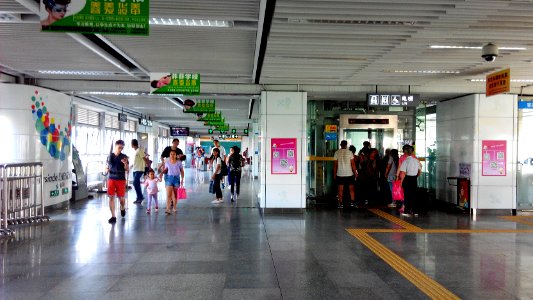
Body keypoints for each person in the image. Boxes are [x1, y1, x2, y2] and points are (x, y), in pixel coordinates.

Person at [106, 140, 129, 224]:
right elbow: (106, 166)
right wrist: (106, 169)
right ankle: (113, 216)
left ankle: (122, 207)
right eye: (119, 147)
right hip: (111, 178)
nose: (120, 149)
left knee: (121, 199)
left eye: (122, 148)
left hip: (121, 179)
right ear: (115, 146)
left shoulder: (124, 157)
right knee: (111, 197)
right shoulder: (110, 156)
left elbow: (127, 169)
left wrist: (125, 164)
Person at [399, 146, 422, 216]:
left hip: (407, 179)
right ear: (412, 152)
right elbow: (420, 171)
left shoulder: (405, 161)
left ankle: (406, 212)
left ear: (405, 153)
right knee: (414, 195)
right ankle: (415, 211)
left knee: (407, 196)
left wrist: (401, 182)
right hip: (414, 179)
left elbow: (403, 173)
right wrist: (415, 176)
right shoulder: (416, 161)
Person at [333, 140, 356, 209]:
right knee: (351, 189)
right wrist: (355, 172)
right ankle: (352, 203)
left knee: (340, 189)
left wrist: (334, 174)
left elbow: (335, 165)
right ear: (346, 145)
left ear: (340, 145)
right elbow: (353, 164)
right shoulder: (350, 152)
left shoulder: (337, 153)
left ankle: (340, 203)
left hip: (340, 174)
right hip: (349, 174)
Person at [160, 150, 184, 215]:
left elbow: (182, 171)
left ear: (175, 155)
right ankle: (167, 209)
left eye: (174, 154)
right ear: (169, 155)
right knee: (168, 195)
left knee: (175, 195)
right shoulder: (167, 162)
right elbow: (166, 170)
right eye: (171, 154)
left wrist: (182, 179)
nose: (172, 155)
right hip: (169, 178)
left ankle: (174, 207)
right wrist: (162, 173)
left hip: (176, 179)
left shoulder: (179, 163)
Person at [131, 139, 146, 204]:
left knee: (135, 183)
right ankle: (139, 197)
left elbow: (145, 159)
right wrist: (131, 167)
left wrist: (149, 167)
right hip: (135, 169)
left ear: (132, 144)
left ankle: (140, 197)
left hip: (140, 169)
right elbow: (135, 161)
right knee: (137, 184)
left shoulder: (140, 150)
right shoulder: (135, 151)